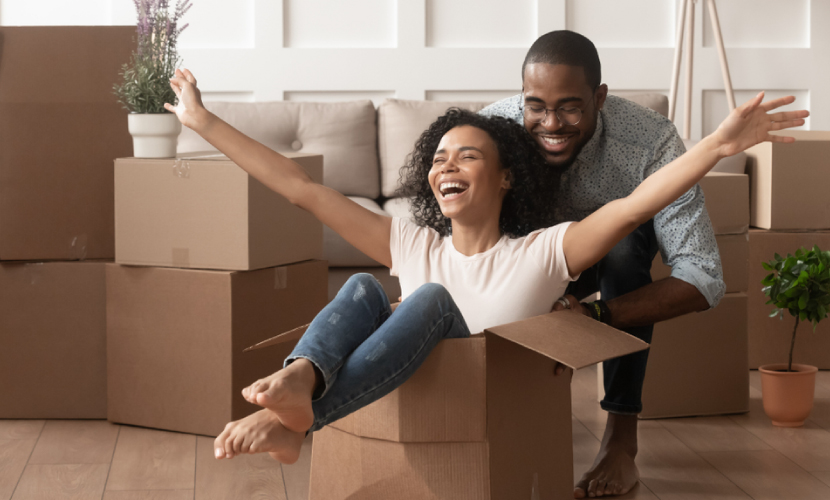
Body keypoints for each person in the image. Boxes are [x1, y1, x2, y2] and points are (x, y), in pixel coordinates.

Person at [164, 68, 806, 477]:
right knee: (363, 287)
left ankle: (298, 421)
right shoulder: (413, 242)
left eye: (466, 156)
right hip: (411, 387)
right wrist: (202, 121)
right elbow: (300, 188)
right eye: (439, 157)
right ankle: (302, 383)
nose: (446, 166)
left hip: (480, 398)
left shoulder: (542, 253)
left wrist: (717, 147)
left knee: (430, 301)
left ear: (505, 178)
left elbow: (638, 204)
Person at [478, 30, 738, 498]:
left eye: (570, 107)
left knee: (621, 253)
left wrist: (593, 317)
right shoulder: (494, 130)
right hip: (526, 255)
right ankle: (507, 421)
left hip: (610, 262)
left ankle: (621, 438)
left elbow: (703, 277)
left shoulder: (651, 141)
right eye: (535, 105)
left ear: (599, 97)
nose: (550, 124)